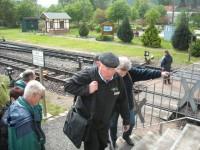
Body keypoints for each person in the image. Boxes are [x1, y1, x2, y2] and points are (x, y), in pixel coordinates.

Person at [64, 52, 130, 150]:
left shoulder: (117, 79)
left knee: (102, 145)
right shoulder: (88, 74)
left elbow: (123, 100)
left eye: (113, 69)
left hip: (104, 123)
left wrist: (126, 120)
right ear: (99, 64)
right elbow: (68, 86)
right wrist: (87, 89)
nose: (110, 72)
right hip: (90, 124)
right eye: (107, 68)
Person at [110, 57, 170, 148]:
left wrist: (160, 73)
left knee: (131, 122)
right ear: (116, 68)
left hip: (127, 104)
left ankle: (126, 136)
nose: (123, 73)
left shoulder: (130, 73)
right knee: (112, 124)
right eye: (120, 70)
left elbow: (144, 73)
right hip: (113, 105)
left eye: (125, 71)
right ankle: (113, 141)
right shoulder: (110, 74)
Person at [3, 80, 46, 150]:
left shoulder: (15, 104)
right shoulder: (25, 121)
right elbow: (29, 146)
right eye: (41, 96)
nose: (41, 99)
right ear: (34, 95)